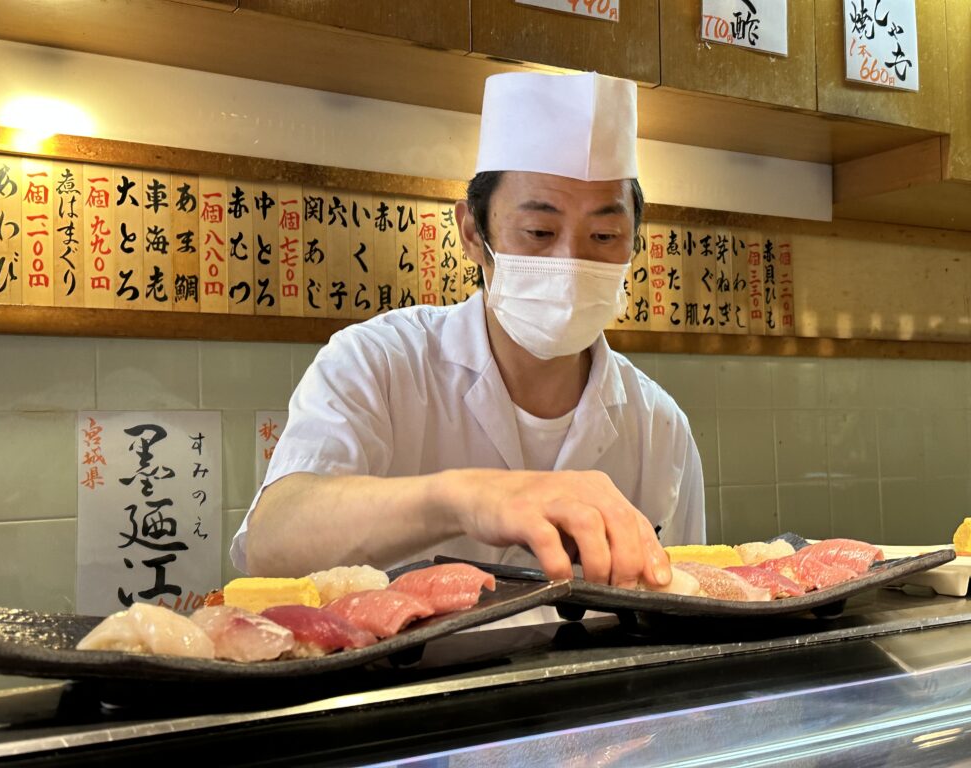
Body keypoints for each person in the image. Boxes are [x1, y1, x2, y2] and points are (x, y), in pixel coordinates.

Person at [231, 71, 704, 601]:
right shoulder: (380, 362)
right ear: (474, 234)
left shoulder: (660, 426)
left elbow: (682, 609)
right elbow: (270, 544)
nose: (571, 262)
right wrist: (464, 498)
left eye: (604, 236)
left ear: (634, 246)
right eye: (540, 233)